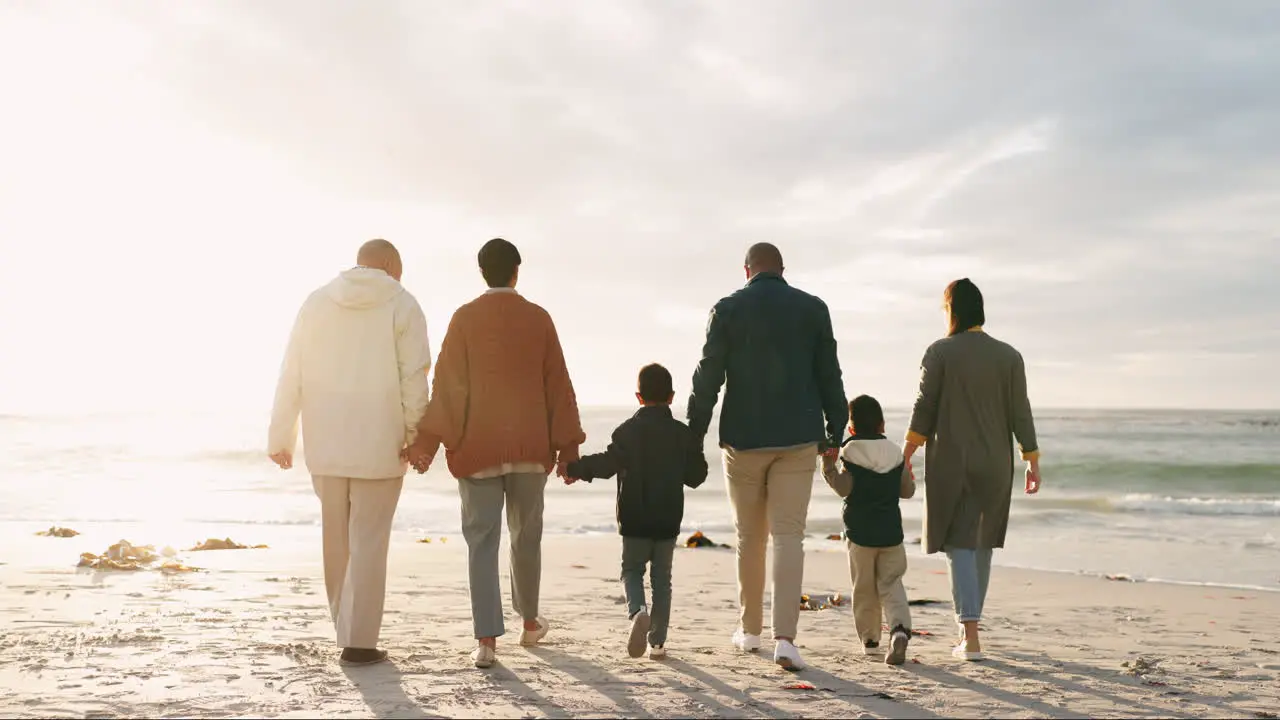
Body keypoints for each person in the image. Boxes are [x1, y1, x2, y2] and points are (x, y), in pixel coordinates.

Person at [406, 238, 585, 669]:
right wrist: (569, 449)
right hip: (529, 446)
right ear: (516, 271)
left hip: (478, 446)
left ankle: (486, 640)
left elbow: (448, 386)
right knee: (527, 538)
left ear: (481, 271)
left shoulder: (465, 318)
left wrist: (427, 444)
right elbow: (556, 384)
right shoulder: (539, 318)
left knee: (481, 542)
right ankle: (528, 624)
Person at [266, 239, 431, 667]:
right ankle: (358, 640)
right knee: (369, 541)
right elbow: (414, 377)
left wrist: (281, 436)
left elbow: (292, 373)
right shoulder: (403, 303)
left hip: (326, 442)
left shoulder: (317, 302)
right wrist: (416, 435)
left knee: (335, 539)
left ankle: (346, 625)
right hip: (380, 442)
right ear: (393, 266)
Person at [686, 242, 848, 671]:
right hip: (798, 439)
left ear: (746, 271)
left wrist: (693, 435)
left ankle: (751, 630)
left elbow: (707, 377)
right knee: (789, 536)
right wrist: (837, 431)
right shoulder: (813, 309)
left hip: (743, 441)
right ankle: (786, 640)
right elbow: (830, 374)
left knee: (749, 537)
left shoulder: (727, 310)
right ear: (783, 270)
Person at [904, 278, 1041, 662]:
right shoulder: (1009, 356)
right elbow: (1020, 412)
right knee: (981, 540)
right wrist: (1031, 459)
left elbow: (924, 407)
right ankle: (971, 626)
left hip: (952, 461)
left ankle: (970, 633)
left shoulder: (940, 352)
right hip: (997, 462)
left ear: (952, 310)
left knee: (959, 542)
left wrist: (908, 453)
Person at [562, 363, 709, 660]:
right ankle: (657, 643)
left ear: (638, 397)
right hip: (667, 521)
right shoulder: (681, 435)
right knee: (662, 580)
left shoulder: (627, 432)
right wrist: (694, 444)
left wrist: (575, 469)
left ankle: (637, 611)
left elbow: (606, 464)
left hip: (634, 519)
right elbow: (697, 477)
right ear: (671, 396)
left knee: (631, 571)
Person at [820, 395, 916, 666]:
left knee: (863, 586)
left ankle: (871, 641)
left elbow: (844, 488)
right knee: (891, 582)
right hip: (891, 533)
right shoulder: (894, 451)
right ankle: (898, 629)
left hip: (860, 533)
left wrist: (827, 466)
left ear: (851, 428)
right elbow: (907, 491)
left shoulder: (849, 451)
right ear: (882, 425)